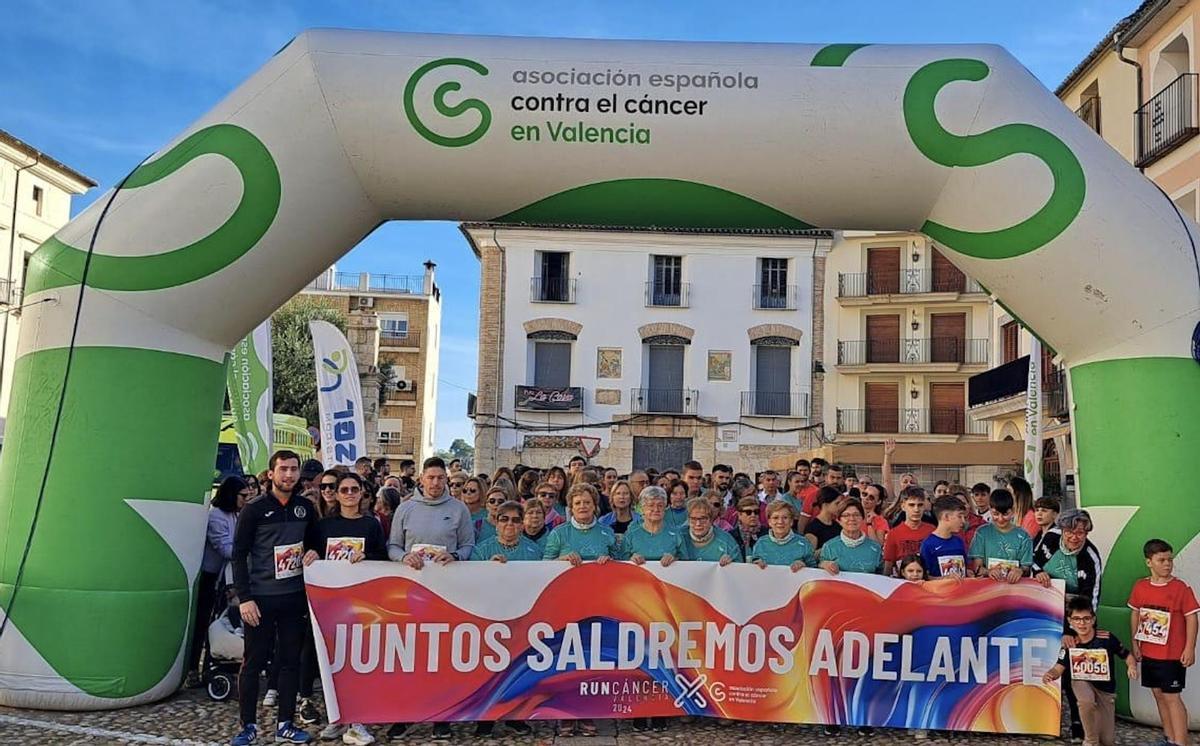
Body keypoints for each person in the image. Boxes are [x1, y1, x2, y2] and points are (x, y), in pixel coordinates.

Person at [230, 450, 319, 745]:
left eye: (293, 469)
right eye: (283, 469)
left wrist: (314, 551)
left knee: (290, 662)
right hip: (260, 599)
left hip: (293, 598)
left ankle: (286, 723)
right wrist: (244, 597)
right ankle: (248, 726)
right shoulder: (254, 509)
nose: (289, 475)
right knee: (253, 663)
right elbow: (239, 555)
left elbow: (316, 543)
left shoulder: (306, 507)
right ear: (271, 474)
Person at [386, 456, 474, 741]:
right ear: (421, 479)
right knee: (411, 656)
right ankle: (406, 714)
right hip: (411, 592)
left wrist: (456, 555)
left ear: (446, 480)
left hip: (447, 594)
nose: (435, 483)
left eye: (440, 478)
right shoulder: (406, 508)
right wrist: (403, 556)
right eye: (431, 478)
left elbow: (468, 544)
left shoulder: (459, 509)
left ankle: (442, 717)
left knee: (442, 657)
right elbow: (393, 545)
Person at [300, 472, 385, 745]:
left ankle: (357, 720)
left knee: (357, 663)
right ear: (335, 495)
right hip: (330, 605)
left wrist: (368, 556)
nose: (349, 494)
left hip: (362, 605)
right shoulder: (323, 527)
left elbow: (382, 559)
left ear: (362, 493)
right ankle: (337, 718)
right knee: (331, 662)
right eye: (344, 489)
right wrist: (311, 554)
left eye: (354, 489)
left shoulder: (372, 526)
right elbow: (311, 554)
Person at [1128, 538, 1199, 746]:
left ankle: (1181, 741)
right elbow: (1135, 614)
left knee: (1172, 697)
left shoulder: (1180, 588)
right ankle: (1169, 737)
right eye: (1162, 560)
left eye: (1170, 560)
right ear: (1149, 562)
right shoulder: (1140, 586)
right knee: (1159, 695)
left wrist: (1190, 647)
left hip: (1172, 654)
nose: (1167, 564)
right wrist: (1135, 644)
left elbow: (1192, 617)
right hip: (1150, 652)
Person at [1041, 597, 1136, 746]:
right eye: (1077, 619)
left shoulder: (1106, 638)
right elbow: (1058, 667)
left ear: (1093, 619)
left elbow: (1127, 655)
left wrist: (1131, 666)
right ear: (1070, 622)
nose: (1082, 623)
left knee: (1108, 741)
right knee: (1086, 701)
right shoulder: (1070, 644)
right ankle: (1090, 740)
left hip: (1105, 690)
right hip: (1081, 681)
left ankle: (1096, 737)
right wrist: (1050, 674)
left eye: (1086, 619)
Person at [188, 476, 248, 687]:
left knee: (224, 621)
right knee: (203, 623)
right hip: (211, 577)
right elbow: (225, 548)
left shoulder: (235, 514)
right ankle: (194, 668)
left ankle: (215, 665)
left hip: (227, 577)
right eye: (243, 496)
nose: (245, 500)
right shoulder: (217, 517)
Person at [968, 488, 1033, 583]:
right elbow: (977, 568)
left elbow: (1026, 567)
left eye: (1005, 514)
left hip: (1015, 588)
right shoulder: (982, 533)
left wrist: (1020, 571)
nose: (1000, 519)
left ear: (1013, 511)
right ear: (990, 510)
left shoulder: (1023, 536)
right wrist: (988, 571)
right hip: (988, 588)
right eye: (995, 514)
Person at [543, 483, 616, 565]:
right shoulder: (558, 533)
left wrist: (610, 560)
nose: (582, 506)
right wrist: (562, 560)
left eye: (587, 502)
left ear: (594, 506)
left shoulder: (608, 532)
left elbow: (620, 563)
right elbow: (545, 565)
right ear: (571, 508)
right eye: (577, 503)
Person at [621, 486, 681, 570]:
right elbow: (620, 561)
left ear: (665, 507)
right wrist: (631, 559)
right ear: (642, 508)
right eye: (651, 505)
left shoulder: (676, 533)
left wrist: (675, 559)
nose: (656, 509)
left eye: (660, 505)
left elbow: (687, 561)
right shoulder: (631, 533)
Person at [818, 499, 883, 575]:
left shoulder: (875, 548)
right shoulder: (829, 547)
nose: (852, 519)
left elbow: (882, 578)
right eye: (846, 515)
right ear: (839, 520)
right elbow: (819, 571)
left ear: (863, 518)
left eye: (856, 515)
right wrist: (823, 565)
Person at [749, 500, 817, 572]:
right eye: (775, 518)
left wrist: (804, 565)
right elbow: (752, 568)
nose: (780, 522)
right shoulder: (760, 543)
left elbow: (814, 570)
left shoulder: (804, 544)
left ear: (791, 521)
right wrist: (755, 565)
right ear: (769, 522)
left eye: (785, 517)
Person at [882, 487, 935, 577]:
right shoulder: (894, 533)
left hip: (927, 583)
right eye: (911, 505)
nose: (916, 509)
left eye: (920, 505)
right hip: (902, 583)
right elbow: (888, 567)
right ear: (903, 506)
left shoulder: (932, 531)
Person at [678, 496, 743, 564]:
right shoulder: (678, 537)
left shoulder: (727, 542)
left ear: (711, 520)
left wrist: (731, 564)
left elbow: (739, 570)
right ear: (688, 519)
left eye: (703, 519)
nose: (698, 524)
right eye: (693, 519)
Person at [472, 500, 542, 563]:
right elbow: (473, 575)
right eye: (504, 519)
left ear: (522, 525)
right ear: (497, 523)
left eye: (515, 520)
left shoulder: (534, 551)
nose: (510, 523)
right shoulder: (480, 551)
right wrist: (488, 566)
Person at [919, 496, 968, 579]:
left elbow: (965, 569)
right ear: (946, 517)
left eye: (964, 517)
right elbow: (924, 577)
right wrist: (944, 579)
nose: (963, 521)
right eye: (960, 516)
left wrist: (969, 572)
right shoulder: (928, 544)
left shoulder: (959, 541)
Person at [598, 479, 640, 549]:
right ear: (612, 498)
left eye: (626, 493)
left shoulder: (640, 521)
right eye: (618, 493)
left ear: (631, 497)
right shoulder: (603, 521)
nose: (622, 497)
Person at [803, 487, 843, 551]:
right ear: (825, 505)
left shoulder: (838, 526)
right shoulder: (813, 529)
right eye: (837, 503)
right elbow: (810, 556)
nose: (840, 507)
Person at [729, 494, 767, 558]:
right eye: (748, 512)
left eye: (756, 512)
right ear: (739, 514)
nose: (753, 515)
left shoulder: (767, 534)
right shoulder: (731, 536)